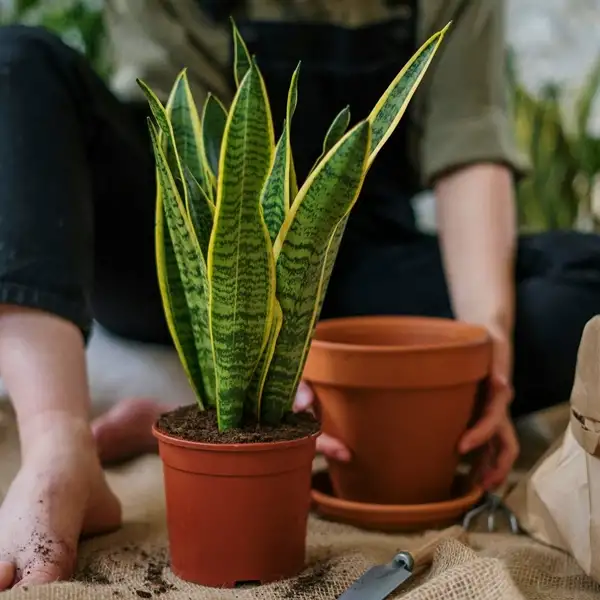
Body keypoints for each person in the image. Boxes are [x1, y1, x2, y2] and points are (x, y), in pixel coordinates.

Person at [1, 0, 599, 589]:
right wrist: (254, 315)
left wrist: (487, 350)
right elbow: (195, 141)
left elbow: (467, 151)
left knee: (580, 282)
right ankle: (61, 442)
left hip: (358, 258)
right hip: (199, 268)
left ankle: (198, 404)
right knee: (17, 58)